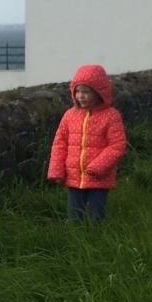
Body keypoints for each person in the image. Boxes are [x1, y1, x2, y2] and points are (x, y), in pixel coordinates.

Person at [47, 65, 127, 223]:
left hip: (99, 178)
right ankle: (75, 243)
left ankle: (96, 243)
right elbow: (59, 143)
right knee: (74, 217)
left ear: (98, 93)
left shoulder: (111, 116)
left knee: (95, 217)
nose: (80, 96)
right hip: (73, 177)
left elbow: (117, 145)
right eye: (77, 91)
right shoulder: (70, 115)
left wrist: (96, 168)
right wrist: (56, 170)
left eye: (86, 92)